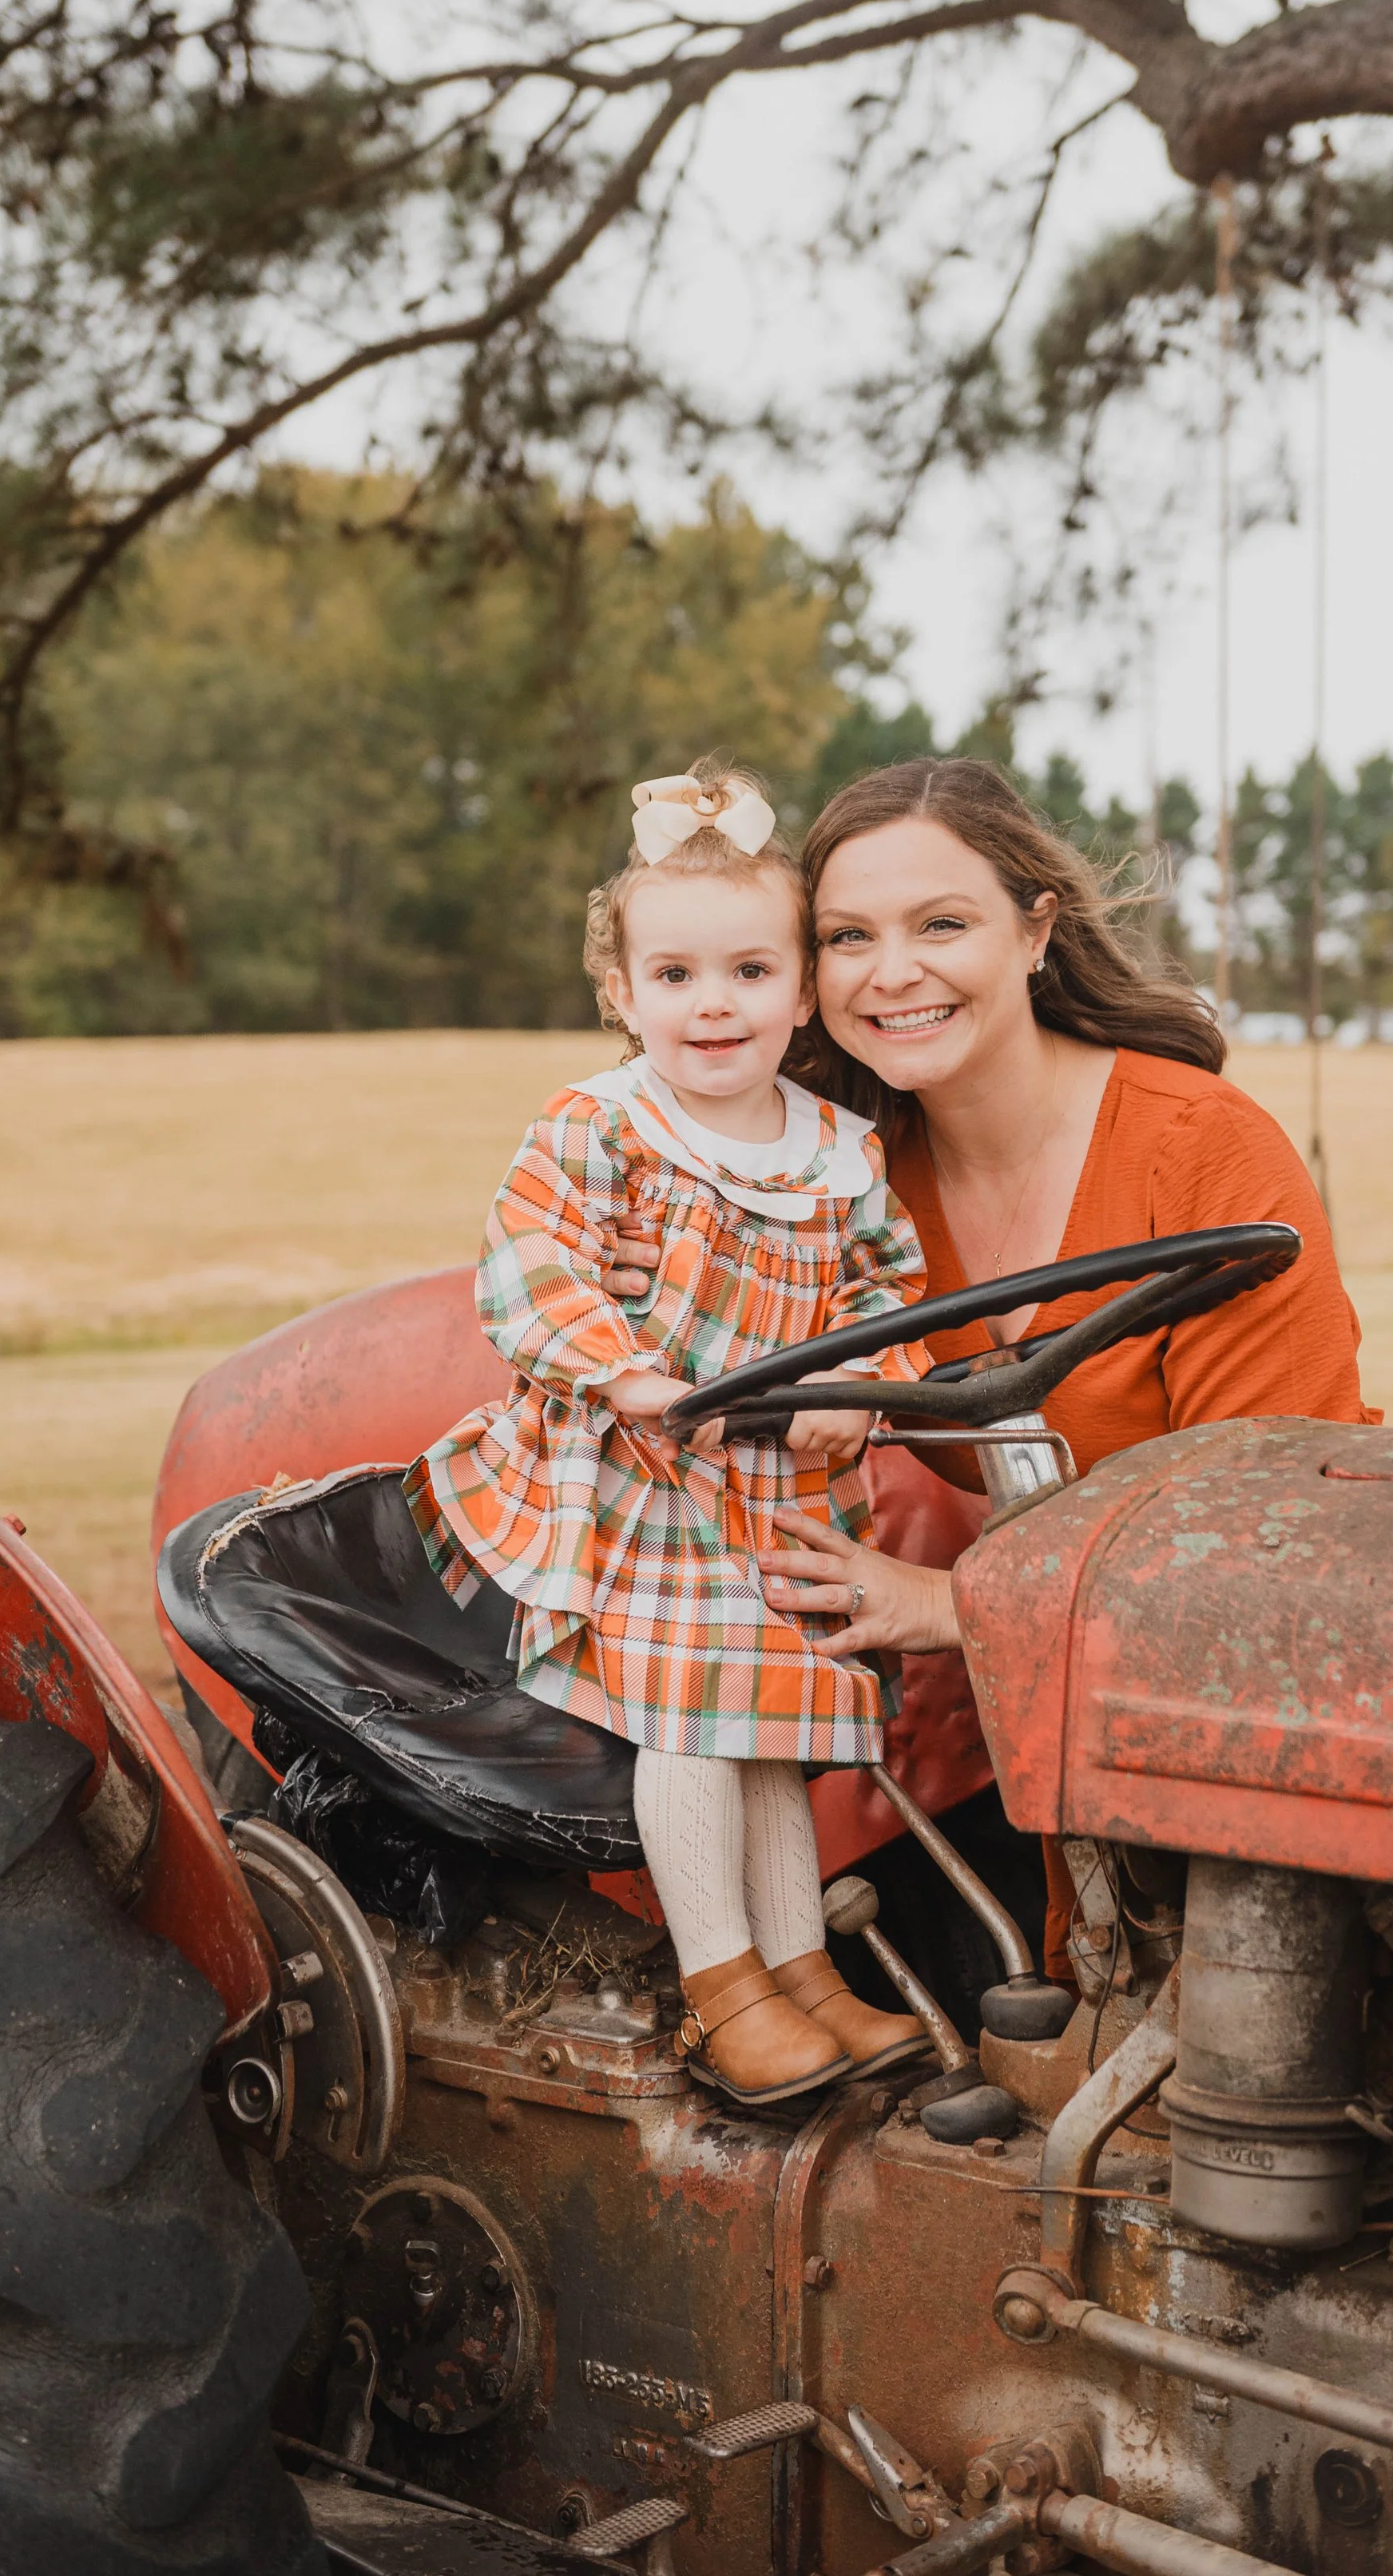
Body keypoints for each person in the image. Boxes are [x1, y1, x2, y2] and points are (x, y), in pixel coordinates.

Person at [605, 756, 1376, 1975]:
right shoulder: (837, 1185)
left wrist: (949, 1607)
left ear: (1036, 930)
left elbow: (1271, 1534)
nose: (893, 971)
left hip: (1248, 1701)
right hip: (1055, 1705)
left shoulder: (1201, 1153)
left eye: (943, 924)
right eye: (848, 936)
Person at [405, 765, 937, 2106]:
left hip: (775, 1485)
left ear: (801, 995)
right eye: (679, 975)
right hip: (642, 1476)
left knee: (765, 1729)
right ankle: (719, 1986)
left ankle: (802, 1969)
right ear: (621, 993)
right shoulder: (606, 1124)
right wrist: (625, 1373)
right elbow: (529, 1262)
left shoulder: (836, 1147)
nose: (716, 1004)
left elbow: (891, 1290)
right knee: (694, 1725)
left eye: (752, 971)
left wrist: (859, 1385)